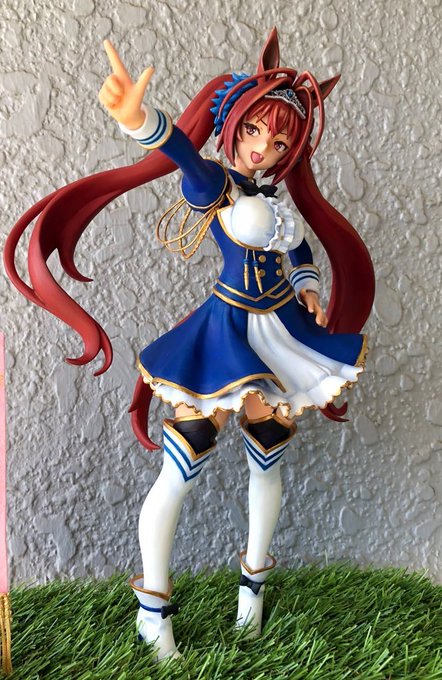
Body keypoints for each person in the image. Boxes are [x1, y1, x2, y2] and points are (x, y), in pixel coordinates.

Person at [4, 28, 374, 661]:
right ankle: (153, 610)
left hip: (282, 333)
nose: (263, 149)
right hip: (224, 334)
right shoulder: (219, 184)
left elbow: (299, 250)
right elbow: (183, 155)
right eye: (254, 131)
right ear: (233, 126)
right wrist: (141, 120)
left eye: (279, 142)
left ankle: (252, 599)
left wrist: (310, 287)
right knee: (184, 464)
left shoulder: (278, 199)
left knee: (269, 458)